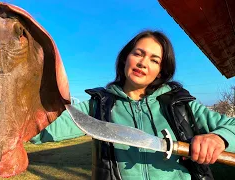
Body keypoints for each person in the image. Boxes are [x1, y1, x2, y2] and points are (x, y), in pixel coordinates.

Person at [30, 30, 235, 180]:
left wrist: (219, 138)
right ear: (125, 58)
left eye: (154, 60)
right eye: (138, 53)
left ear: (162, 71)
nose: (143, 63)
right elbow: (40, 128)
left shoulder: (182, 105)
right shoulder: (98, 106)